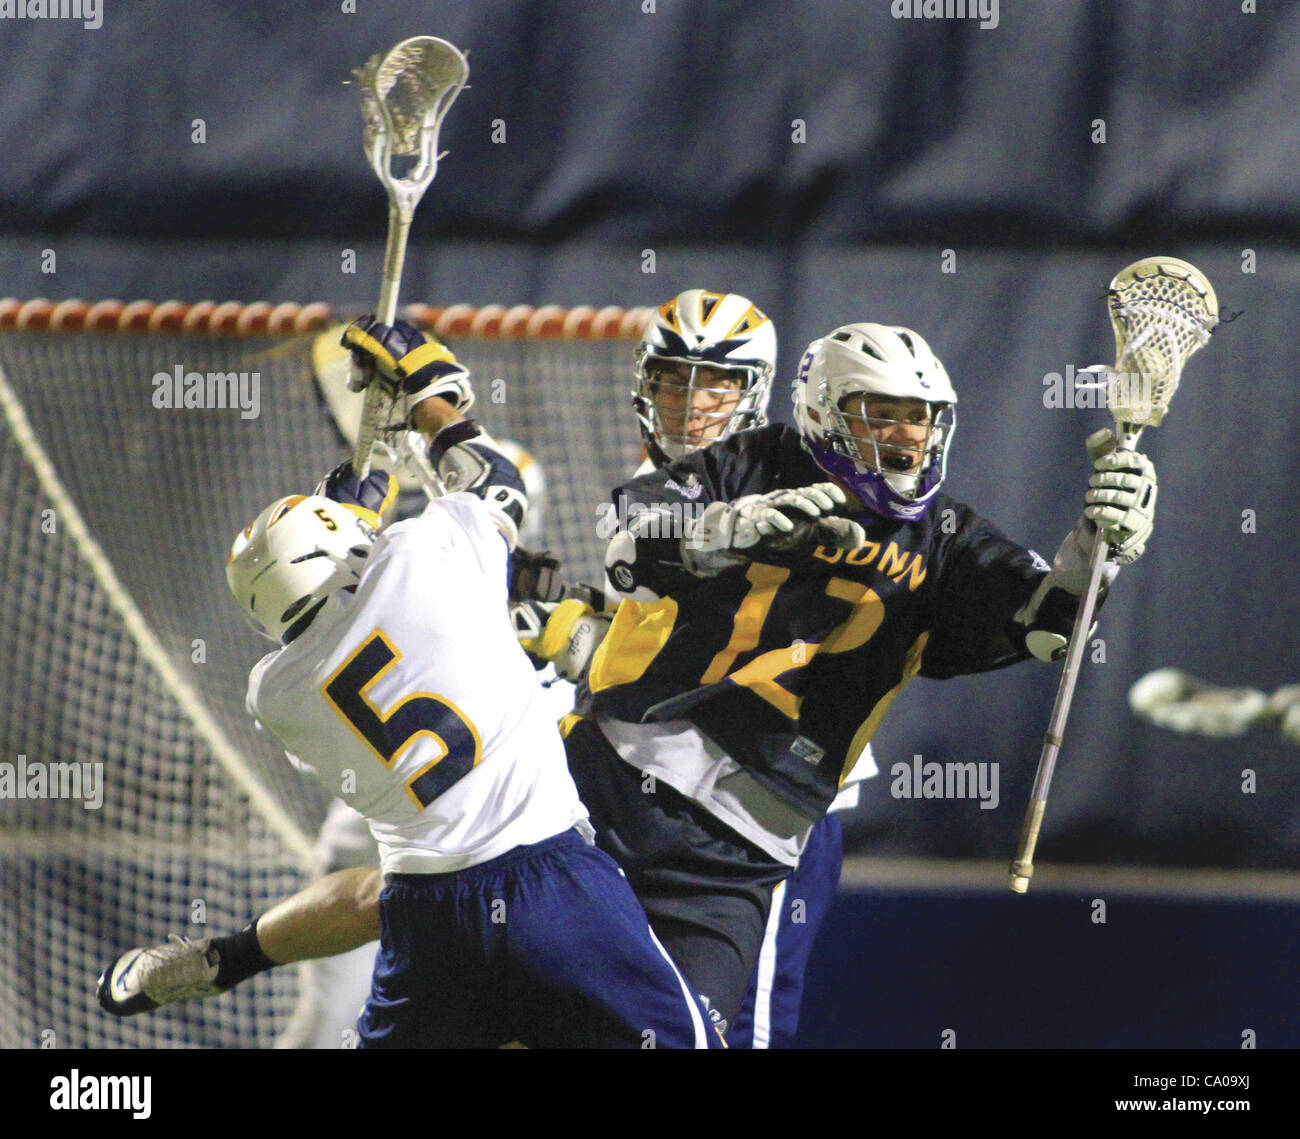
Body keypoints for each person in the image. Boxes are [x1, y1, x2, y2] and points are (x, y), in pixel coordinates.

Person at [99, 319, 718, 1049]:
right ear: (348, 545)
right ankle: (227, 956)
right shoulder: (424, 553)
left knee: (376, 896)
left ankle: (226, 957)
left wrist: (355, 519)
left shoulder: (276, 693)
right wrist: (432, 392)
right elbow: (499, 480)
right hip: (553, 883)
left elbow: (358, 621)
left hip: (424, 915)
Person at [564, 320, 1158, 1031]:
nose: (906, 436)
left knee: (681, 1036)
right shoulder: (755, 462)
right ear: (823, 410)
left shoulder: (945, 537)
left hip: (741, 850)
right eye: (880, 414)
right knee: (516, 1003)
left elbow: (1048, 623)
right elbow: (625, 537)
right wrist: (725, 527)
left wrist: (1099, 550)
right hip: (608, 782)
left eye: (919, 418)